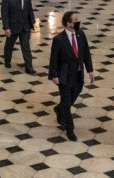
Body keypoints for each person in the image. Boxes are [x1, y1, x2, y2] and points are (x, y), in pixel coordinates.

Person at [48, 11, 94, 142]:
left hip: (78, 75)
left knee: (72, 96)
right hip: (64, 75)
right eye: (75, 20)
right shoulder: (59, 39)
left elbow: (86, 53)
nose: (78, 22)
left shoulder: (80, 34)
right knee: (67, 104)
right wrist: (53, 75)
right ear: (68, 23)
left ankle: (58, 109)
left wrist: (90, 70)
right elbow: (54, 59)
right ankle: (70, 129)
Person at [1, 0, 36, 74]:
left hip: (25, 26)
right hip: (13, 26)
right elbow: (5, 14)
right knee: (9, 45)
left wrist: (32, 22)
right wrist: (6, 28)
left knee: (26, 47)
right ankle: (7, 60)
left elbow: (29, 9)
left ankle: (29, 67)